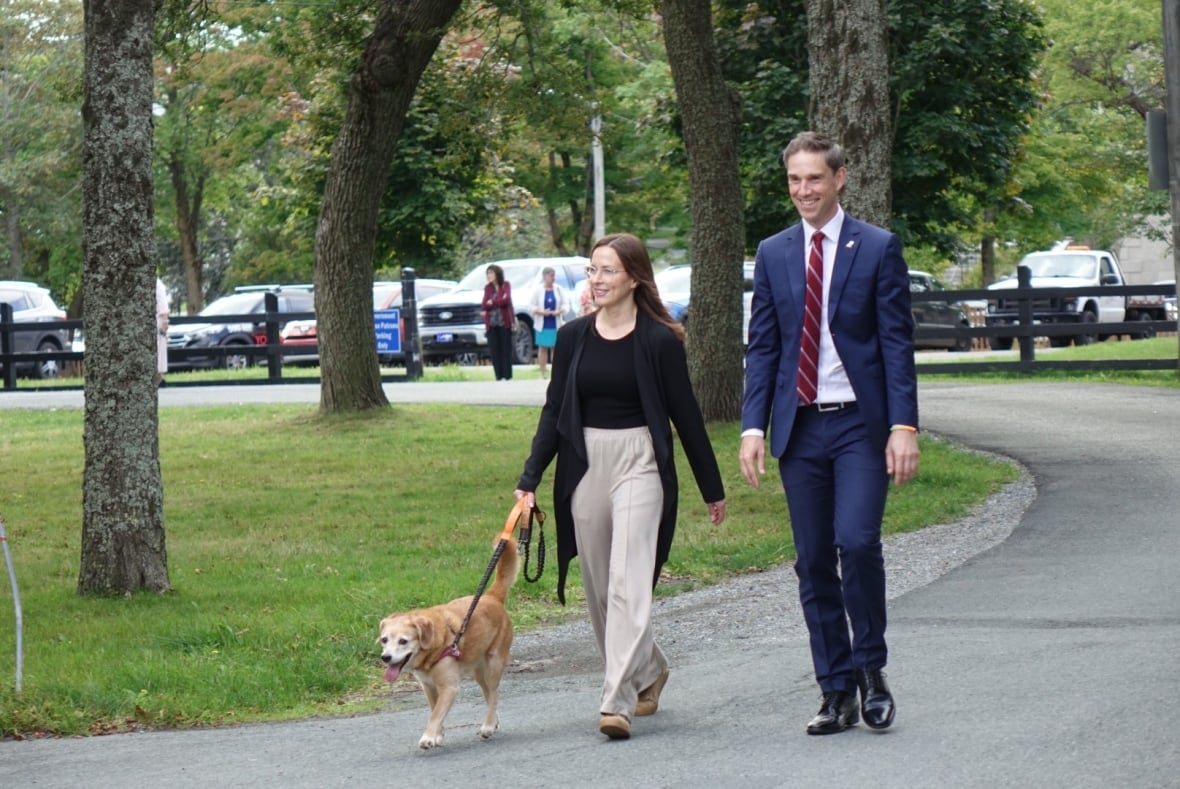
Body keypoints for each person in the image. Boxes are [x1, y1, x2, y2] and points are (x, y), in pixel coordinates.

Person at [739, 131, 919, 736]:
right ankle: (834, 689)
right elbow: (764, 345)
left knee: (858, 543)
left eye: (814, 178)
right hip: (801, 429)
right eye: (794, 180)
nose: (803, 191)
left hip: (860, 428)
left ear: (839, 179)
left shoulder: (877, 247)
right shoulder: (774, 252)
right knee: (813, 559)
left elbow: (896, 343)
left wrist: (903, 425)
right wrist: (751, 427)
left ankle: (872, 671)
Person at [515, 233, 727, 741]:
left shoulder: (659, 341)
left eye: (608, 271)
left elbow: (686, 417)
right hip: (585, 461)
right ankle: (650, 668)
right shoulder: (571, 337)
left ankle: (616, 701)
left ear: (634, 276)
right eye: (593, 271)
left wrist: (711, 487)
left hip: (641, 461)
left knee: (630, 580)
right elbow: (554, 410)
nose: (598, 280)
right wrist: (529, 479)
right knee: (598, 588)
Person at [529, 266, 568, 379]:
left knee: (555, 349)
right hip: (543, 324)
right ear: (545, 276)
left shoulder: (558, 289)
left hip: (556, 323)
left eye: (554, 275)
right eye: (551, 275)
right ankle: (542, 372)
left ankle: (556, 373)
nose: (553, 278)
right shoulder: (538, 290)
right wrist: (541, 311)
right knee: (543, 348)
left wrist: (560, 311)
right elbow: (531, 306)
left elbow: (566, 305)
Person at [481, 264, 514, 380]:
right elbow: (484, 304)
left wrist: (493, 302)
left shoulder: (505, 285)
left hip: (504, 323)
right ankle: (498, 376)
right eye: (488, 273)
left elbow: (506, 301)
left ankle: (507, 375)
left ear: (497, 274)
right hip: (492, 323)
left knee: (506, 349)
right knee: (494, 350)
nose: (489, 276)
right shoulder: (487, 288)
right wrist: (493, 303)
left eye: (491, 273)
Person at [155, 277, 170, 387]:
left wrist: (164, 321)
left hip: (157, 325)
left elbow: (163, 306)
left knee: (158, 364)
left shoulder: (157, 283)